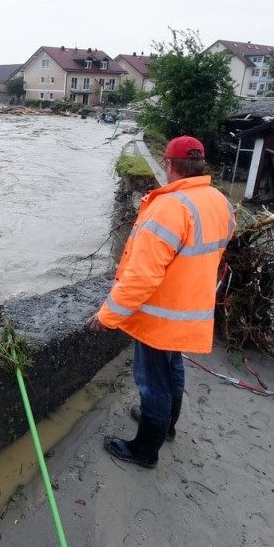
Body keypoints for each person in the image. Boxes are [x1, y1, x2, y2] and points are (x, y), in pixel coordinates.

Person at [87, 135, 236, 468]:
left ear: (169, 165)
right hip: (191, 310)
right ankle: (167, 427)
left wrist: (108, 315)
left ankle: (145, 450)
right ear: (200, 165)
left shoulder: (170, 208)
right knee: (173, 370)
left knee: (153, 381)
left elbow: (142, 276)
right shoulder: (218, 201)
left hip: (160, 314)